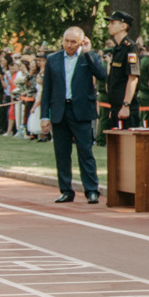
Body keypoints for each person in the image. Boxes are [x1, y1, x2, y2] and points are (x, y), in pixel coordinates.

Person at [37, 26, 105, 203]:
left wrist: (89, 53)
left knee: (85, 151)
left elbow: (102, 74)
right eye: (66, 41)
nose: (69, 45)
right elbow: (47, 90)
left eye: (73, 42)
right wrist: (45, 115)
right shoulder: (53, 59)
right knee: (62, 153)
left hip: (81, 111)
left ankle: (91, 190)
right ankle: (66, 190)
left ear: (82, 42)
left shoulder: (87, 57)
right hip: (60, 111)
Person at [101, 11, 140, 130]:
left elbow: (132, 78)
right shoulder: (117, 49)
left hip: (125, 107)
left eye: (112, 23)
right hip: (116, 107)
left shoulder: (130, 47)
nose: (109, 26)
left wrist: (126, 105)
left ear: (123, 26)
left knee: (127, 146)